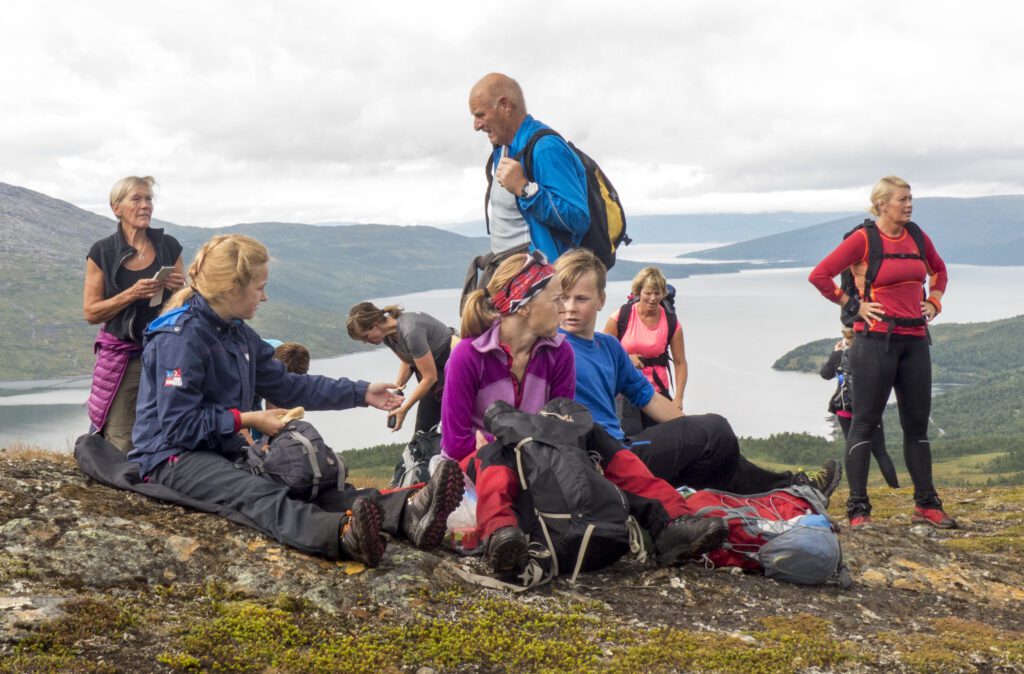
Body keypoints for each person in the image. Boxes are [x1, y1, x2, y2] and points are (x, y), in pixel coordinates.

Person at [126, 234, 465, 567]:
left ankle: (408, 511)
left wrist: (361, 392)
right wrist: (245, 420)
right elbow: (178, 425)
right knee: (256, 492)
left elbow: (289, 386)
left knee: (312, 484)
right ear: (231, 289)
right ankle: (341, 534)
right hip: (170, 456)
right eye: (259, 288)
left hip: (220, 447)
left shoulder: (235, 332)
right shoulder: (181, 338)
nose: (265, 297)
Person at [442, 251, 726, 578]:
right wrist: (514, 439)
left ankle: (674, 520)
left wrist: (526, 435)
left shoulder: (558, 352)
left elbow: (567, 426)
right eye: (556, 299)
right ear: (524, 305)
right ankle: (500, 535)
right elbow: (455, 444)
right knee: (498, 453)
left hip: (542, 456)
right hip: (481, 464)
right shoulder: (469, 355)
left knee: (597, 438)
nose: (563, 308)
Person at [556, 249, 840, 496]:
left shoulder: (608, 347)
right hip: (605, 458)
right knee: (716, 429)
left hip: (623, 447)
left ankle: (792, 489)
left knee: (714, 444)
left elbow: (650, 399)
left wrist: (690, 431)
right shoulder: (552, 348)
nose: (570, 308)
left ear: (601, 299)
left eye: (581, 299)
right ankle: (792, 489)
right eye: (563, 298)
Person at [809, 175, 955, 528]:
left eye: (910, 198)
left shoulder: (918, 236)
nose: (909, 204)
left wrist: (934, 301)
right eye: (902, 199)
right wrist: (852, 304)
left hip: (915, 342)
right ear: (881, 205)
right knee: (865, 425)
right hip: (874, 343)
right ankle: (858, 509)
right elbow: (820, 275)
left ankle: (926, 503)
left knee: (916, 427)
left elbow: (939, 271)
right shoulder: (863, 240)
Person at [461, 72, 590, 309]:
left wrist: (525, 189)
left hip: (537, 283)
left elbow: (579, 218)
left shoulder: (545, 148)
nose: (476, 125)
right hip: (510, 273)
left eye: (480, 115)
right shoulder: (504, 147)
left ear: (505, 105)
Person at [83, 176, 185, 453]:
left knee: (169, 422)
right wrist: (131, 294)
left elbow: (185, 304)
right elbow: (91, 312)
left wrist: (180, 288)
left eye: (148, 199)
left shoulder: (169, 246)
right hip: (126, 355)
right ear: (117, 208)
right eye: (136, 199)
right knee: (120, 431)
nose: (145, 205)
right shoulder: (102, 251)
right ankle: (121, 484)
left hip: (167, 353)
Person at [346, 303, 455, 433]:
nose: (365, 342)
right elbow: (407, 361)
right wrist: (397, 387)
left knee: (453, 428)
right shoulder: (388, 336)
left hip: (451, 372)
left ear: (375, 326)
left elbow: (430, 378)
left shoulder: (411, 331)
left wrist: (405, 408)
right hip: (435, 377)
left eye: (365, 336)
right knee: (422, 433)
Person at [603, 266, 686, 428]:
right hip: (625, 392)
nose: (653, 298)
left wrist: (678, 399)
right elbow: (603, 353)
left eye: (657, 293)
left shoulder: (671, 322)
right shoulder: (621, 316)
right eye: (648, 293)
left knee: (664, 442)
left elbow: (680, 362)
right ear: (638, 292)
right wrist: (626, 359)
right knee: (632, 442)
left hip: (658, 391)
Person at [820, 328, 899, 488]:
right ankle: (895, 488)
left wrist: (836, 353)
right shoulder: (872, 353)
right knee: (880, 451)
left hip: (845, 410)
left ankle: (856, 492)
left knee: (853, 451)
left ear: (845, 339)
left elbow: (825, 374)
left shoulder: (840, 355)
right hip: (869, 409)